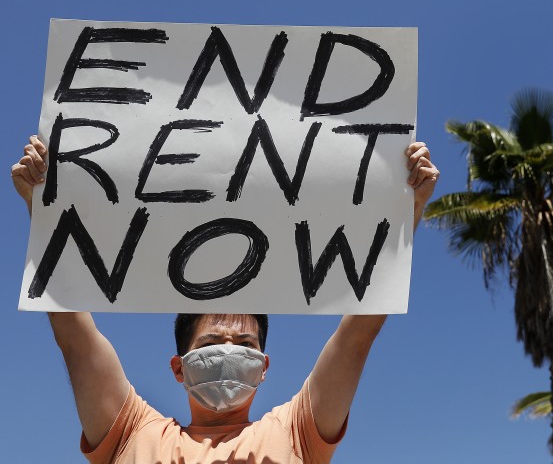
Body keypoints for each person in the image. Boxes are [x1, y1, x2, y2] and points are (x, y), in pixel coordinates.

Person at [11, 135, 439, 464]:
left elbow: (357, 334)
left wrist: (406, 211)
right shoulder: (128, 433)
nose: (229, 350)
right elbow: (74, 338)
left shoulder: (297, 432)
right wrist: (43, 209)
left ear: (265, 367)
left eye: (247, 345)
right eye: (211, 342)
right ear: (178, 367)